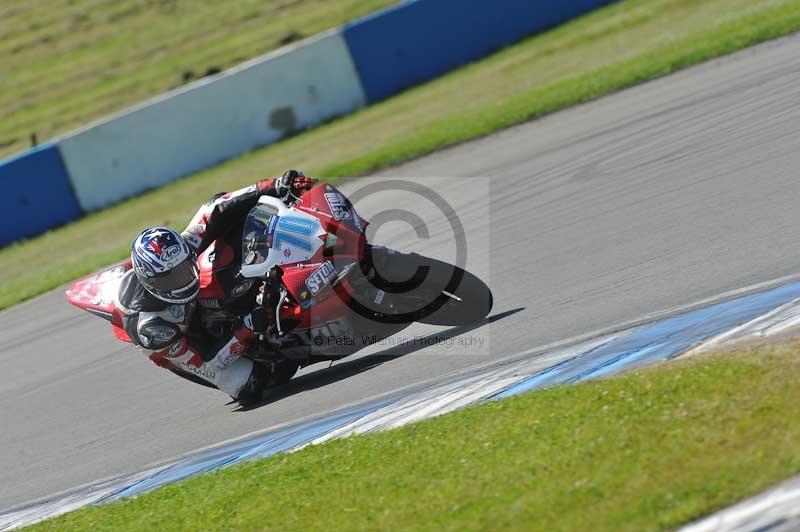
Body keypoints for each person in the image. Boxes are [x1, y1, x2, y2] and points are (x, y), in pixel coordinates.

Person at [116, 170, 317, 404]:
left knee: (233, 233)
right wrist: (246, 328)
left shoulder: (182, 249)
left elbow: (215, 208)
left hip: (190, 305)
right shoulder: (152, 326)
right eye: (171, 278)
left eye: (183, 268)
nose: (182, 280)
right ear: (151, 281)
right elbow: (208, 359)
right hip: (181, 344)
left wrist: (274, 185)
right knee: (250, 388)